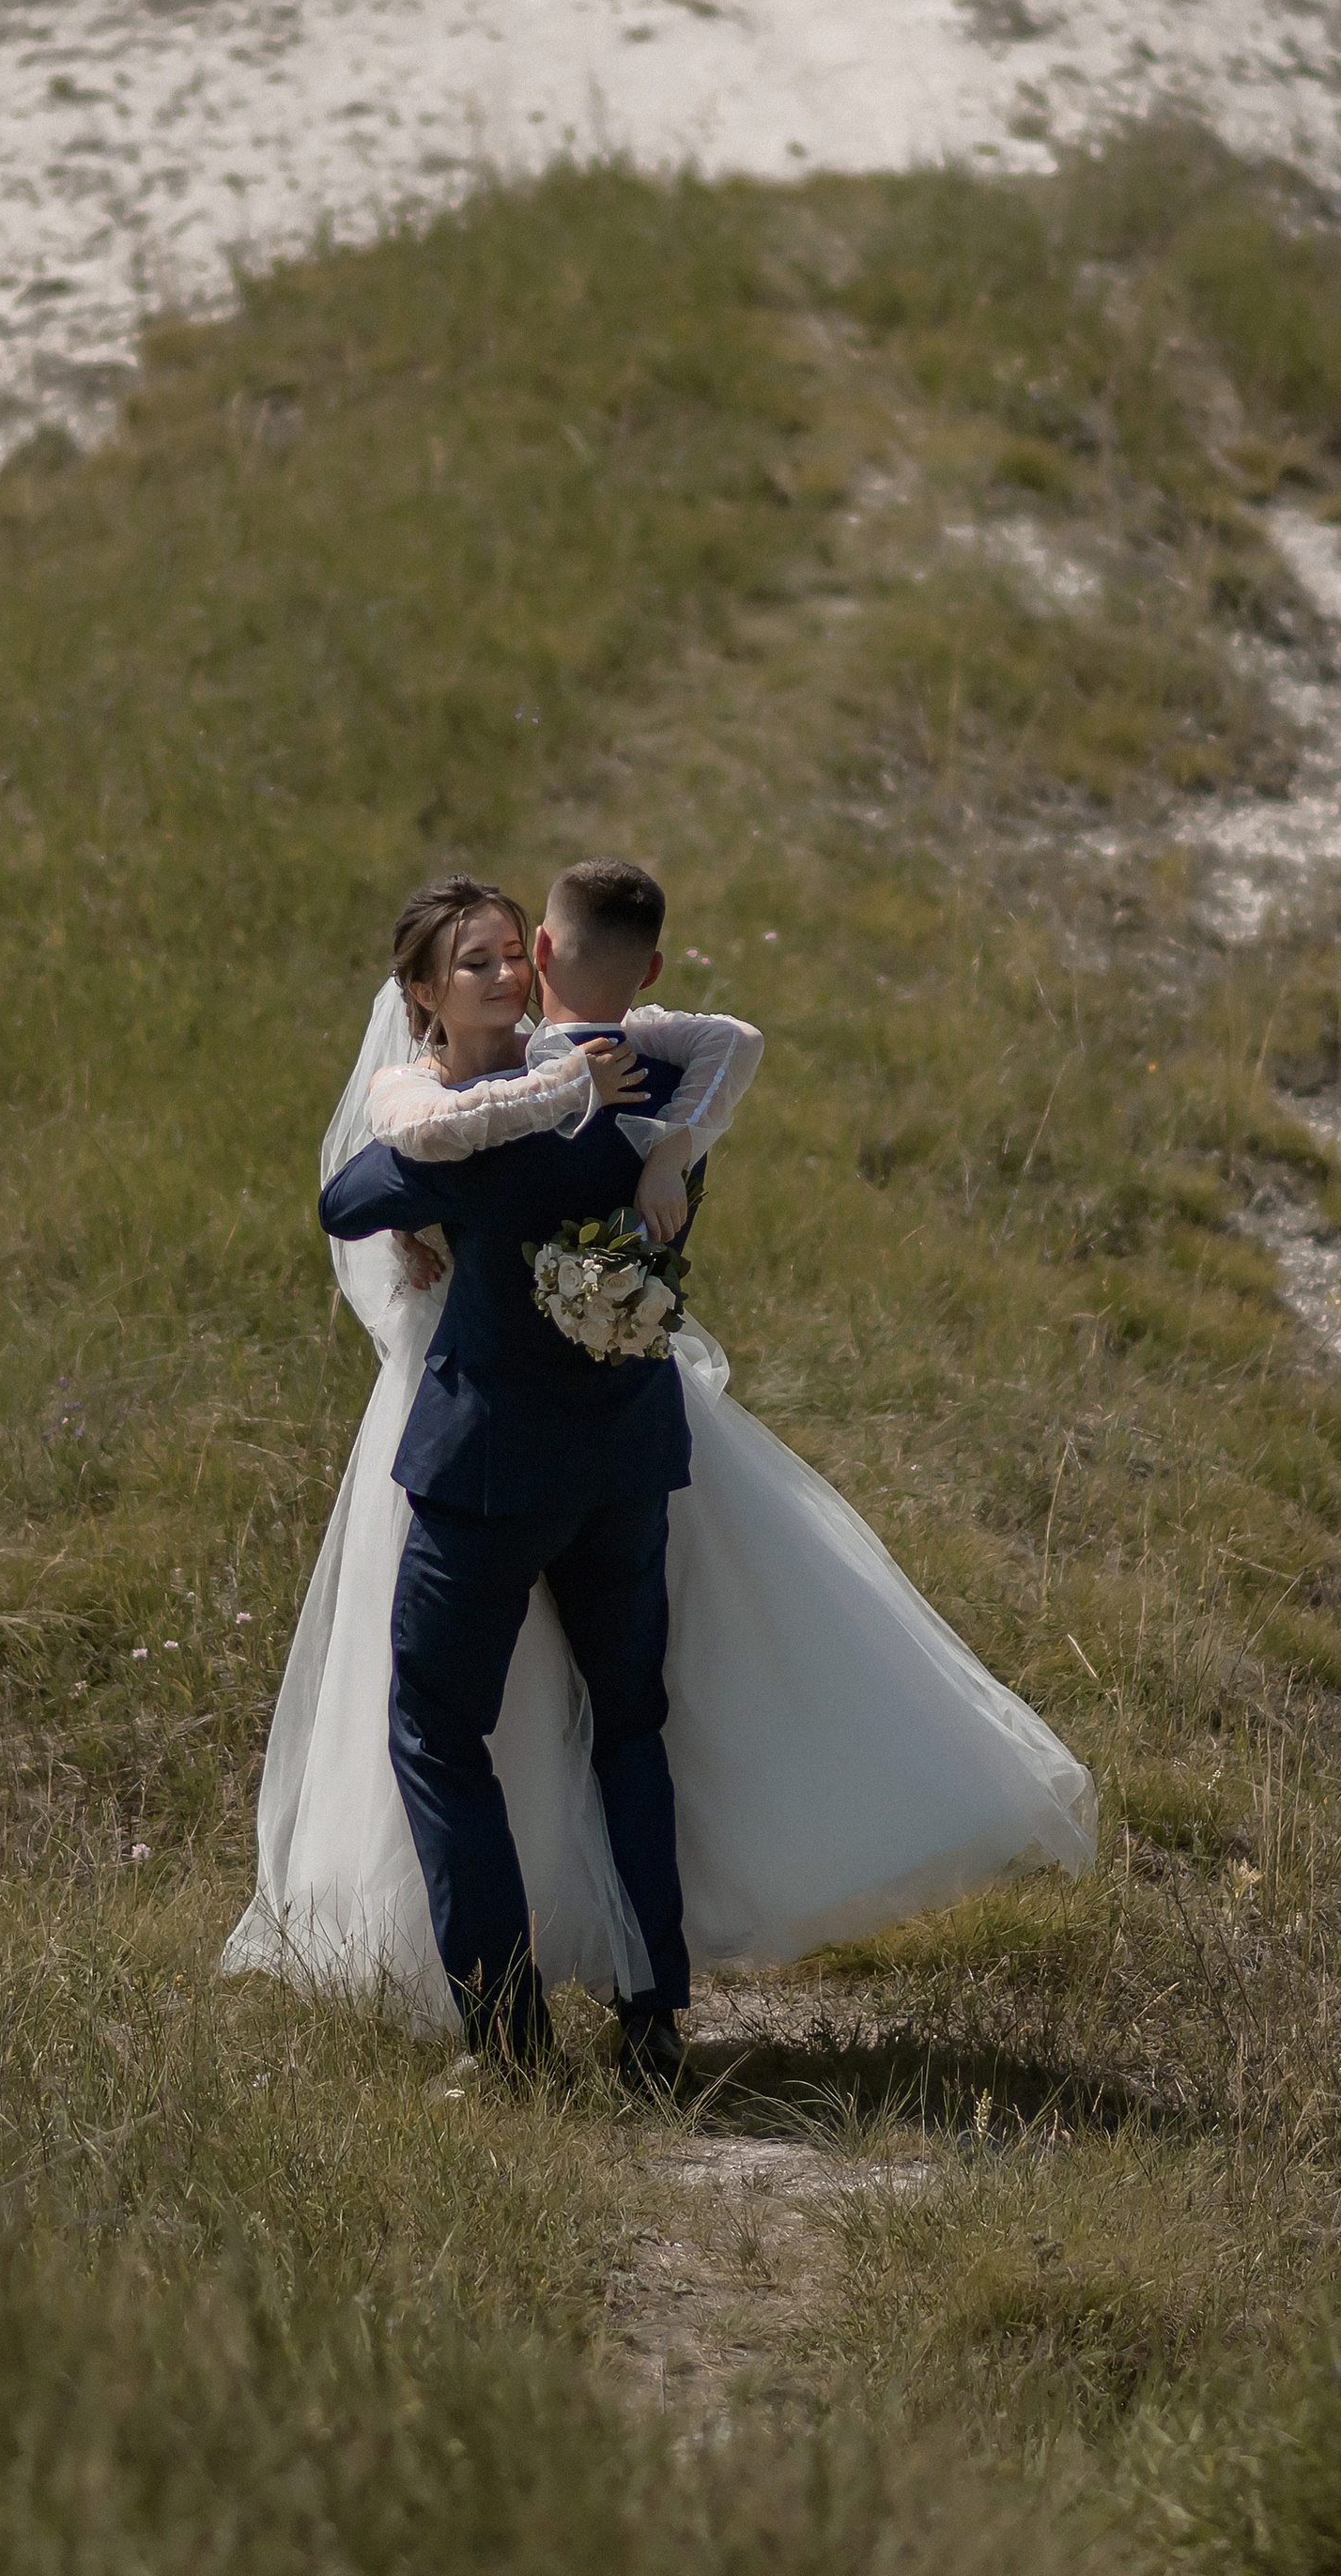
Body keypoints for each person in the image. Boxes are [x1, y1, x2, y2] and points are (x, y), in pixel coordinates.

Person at [222, 860, 1096, 2083]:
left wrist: (464, 1131)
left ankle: (506, 2030)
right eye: (477, 958)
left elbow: (354, 1192)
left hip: (490, 1476)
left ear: (539, 961)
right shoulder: (663, 1092)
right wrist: (665, 1148)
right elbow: (720, 1054)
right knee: (629, 1725)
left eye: (512, 951)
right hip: (630, 1454)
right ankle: (651, 2015)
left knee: (435, 1731)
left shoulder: (482, 1120)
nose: (505, 971)